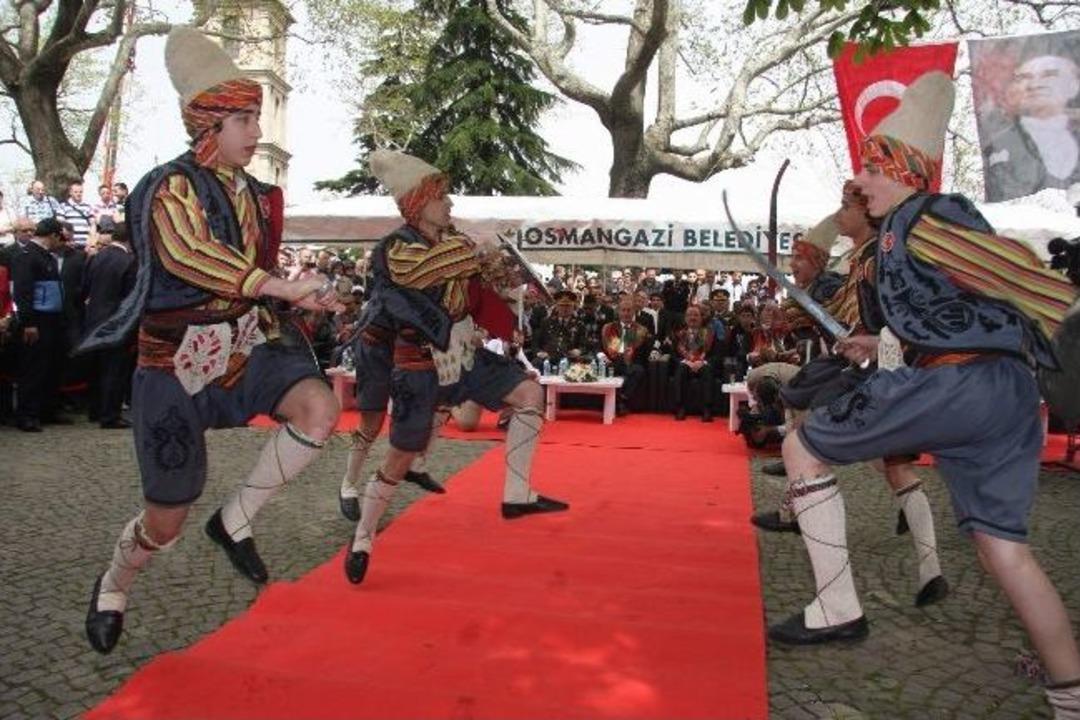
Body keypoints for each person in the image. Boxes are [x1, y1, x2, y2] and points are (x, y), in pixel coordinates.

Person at [773, 71, 1080, 719]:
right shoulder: (904, 226)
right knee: (1005, 549)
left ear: (906, 170)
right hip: (1004, 396)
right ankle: (1070, 694)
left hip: (955, 386)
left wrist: (1061, 303)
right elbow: (952, 306)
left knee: (802, 444)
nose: (859, 182)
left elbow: (1012, 275)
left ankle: (835, 608)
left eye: (871, 171)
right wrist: (878, 341)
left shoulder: (923, 217)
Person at [81, 27, 343, 655]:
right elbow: (189, 255)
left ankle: (235, 522)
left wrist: (297, 290)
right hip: (170, 361)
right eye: (245, 119)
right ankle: (115, 584)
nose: (257, 132)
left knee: (319, 407)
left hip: (240, 346)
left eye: (256, 117)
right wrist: (275, 284)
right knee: (167, 515)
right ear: (210, 125)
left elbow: (255, 278)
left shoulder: (255, 193)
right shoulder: (168, 185)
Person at [343, 149, 568, 586]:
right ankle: (363, 537)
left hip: (464, 354)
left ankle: (517, 494)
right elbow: (426, 272)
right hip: (418, 365)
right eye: (442, 197)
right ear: (417, 203)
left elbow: (474, 288)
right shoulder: (395, 250)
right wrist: (480, 254)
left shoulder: (458, 242)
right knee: (399, 456)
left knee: (529, 394)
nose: (451, 204)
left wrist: (506, 278)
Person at [751, 188, 950, 611]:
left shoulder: (882, 259)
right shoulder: (860, 261)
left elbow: (906, 318)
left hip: (885, 375)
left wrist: (880, 351)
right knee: (882, 461)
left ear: (868, 210)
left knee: (839, 451)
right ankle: (927, 568)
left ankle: (844, 600)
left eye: (846, 206)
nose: (839, 214)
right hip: (865, 370)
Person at [982, 50, 1080, 201]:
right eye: (1024, 78)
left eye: (1049, 75)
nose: (1035, 84)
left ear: (1073, 85)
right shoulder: (997, 145)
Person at [10, 218, 66, 432]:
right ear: (51, 235)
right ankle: (27, 415)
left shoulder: (46, 257)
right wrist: (29, 322)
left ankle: (46, 410)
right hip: (37, 320)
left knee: (49, 367)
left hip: (52, 319)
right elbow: (23, 292)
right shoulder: (27, 257)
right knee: (33, 369)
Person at [82, 217, 137, 428]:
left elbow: (84, 288)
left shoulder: (96, 257)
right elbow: (131, 296)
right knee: (115, 369)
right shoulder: (129, 261)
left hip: (94, 317)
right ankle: (110, 414)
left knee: (96, 368)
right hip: (116, 322)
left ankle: (95, 409)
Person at [600, 296, 651, 416]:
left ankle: (621, 399)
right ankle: (620, 403)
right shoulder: (609, 327)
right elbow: (602, 348)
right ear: (618, 312)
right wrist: (603, 357)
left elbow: (646, 351)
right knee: (610, 368)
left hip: (632, 363)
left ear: (634, 312)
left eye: (629, 310)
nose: (626, 313)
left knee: (638, 370)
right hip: (612, 362)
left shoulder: (641, 329)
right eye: (623, 310)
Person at [671, 304, 715, 422]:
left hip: (703, 364)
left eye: (696, 315)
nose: (693, 318)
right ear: (685, 318)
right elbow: (673, 355)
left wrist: (703, 362)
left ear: (701, 318)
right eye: (690, 315)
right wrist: (686, 361)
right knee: (680, 370)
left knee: (707, 370)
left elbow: (716, 355)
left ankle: (707, 409)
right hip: (685, 363)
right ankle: (680, 408)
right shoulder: (679, 334)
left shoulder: (709, 333)